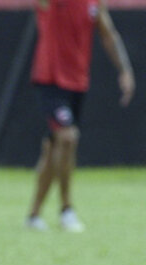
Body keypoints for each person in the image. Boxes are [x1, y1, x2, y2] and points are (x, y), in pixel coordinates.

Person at [25, 0, 134, 232]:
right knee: (67, 137)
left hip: (77, 82)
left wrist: (124, 70)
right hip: (50, 80)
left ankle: (33, 215)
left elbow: (108, 33)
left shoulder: (94, 3)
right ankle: (67, 209)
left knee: (53, 148)